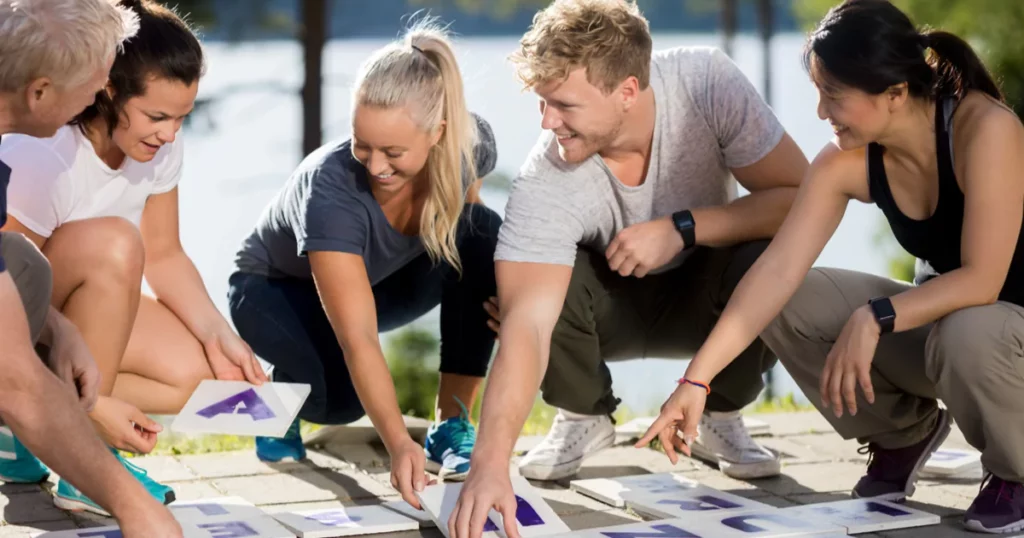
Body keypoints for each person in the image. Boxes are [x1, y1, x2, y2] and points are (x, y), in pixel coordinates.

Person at [638, 0, 1024, 534]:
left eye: (834, 95)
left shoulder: (985, 129)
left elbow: (985, 280)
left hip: (1001, 338)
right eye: (819, 93)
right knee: (785, 299)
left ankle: (1015, 471)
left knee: (968, 328)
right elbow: (776, 273)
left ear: (893, 93)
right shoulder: (847, 160)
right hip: (953, 338)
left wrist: (877, 316)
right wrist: (695, 381)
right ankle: (901, 433)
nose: (821, 112)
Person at [448, 0, 810, 534]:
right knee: (526, 293)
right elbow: (525, 327)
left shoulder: (707, 83)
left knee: (773, 253)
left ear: (627, 92)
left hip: (706, 299)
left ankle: (721, 413)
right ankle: (583, 416)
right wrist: (488, 466)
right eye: (542, 103)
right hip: (605, 313)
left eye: (563, 105)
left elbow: (801, 200)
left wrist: (683, 227)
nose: (548, 123)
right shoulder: (544, 180)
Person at [0, 0, 266, 517]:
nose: (169, 133)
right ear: (109, 89)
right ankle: (78, 454)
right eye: (157, 116)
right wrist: (93, 406)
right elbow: (14, 276)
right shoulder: (44, 150)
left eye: (182, 117)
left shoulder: (162, 146)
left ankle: (22, 435)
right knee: (118, 243)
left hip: (87, 311)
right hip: (29, 319)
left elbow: (165, 255)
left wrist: (220, 335)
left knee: (200, 375)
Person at [227, 20, 501, 509]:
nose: (375, 166)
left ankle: (452, 422)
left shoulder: (468, 144)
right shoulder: (331, 190)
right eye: (362, 144)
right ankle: (274, 396)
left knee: (482, 233)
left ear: (439, 133)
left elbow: (469, 212)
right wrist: (398, 444)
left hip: (375, 282)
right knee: (343, 403)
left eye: (393, 152)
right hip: (273, 292)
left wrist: (503, 298)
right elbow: (360, 340)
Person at [0, 0, 182, 535]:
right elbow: (13, 378)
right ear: (39, 91)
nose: (104, 90)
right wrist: (134, 507)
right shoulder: (40, 157)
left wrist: (59, 330)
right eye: (96, 80)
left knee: (19, 261)